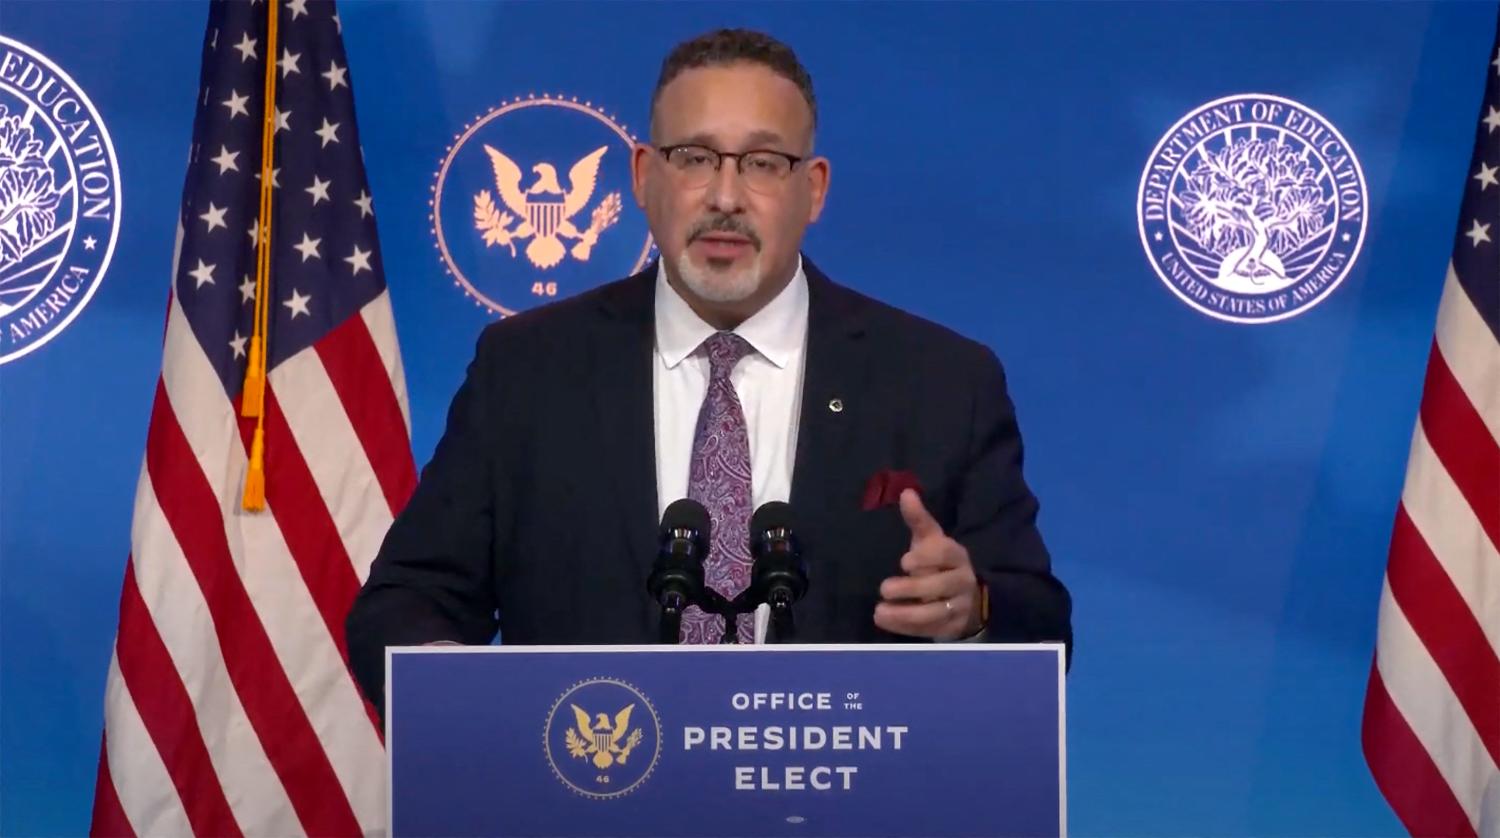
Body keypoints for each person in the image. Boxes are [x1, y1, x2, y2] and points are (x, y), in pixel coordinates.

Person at [347, 28, 1071, 706]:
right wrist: (460, 701)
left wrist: (971, 608)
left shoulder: (941, 381)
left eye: (762, 163)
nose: (725, 197)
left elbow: (1043, 626)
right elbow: (409, 600)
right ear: (642, 175)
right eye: (694, 157)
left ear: (813, 189)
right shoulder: (527, 370)